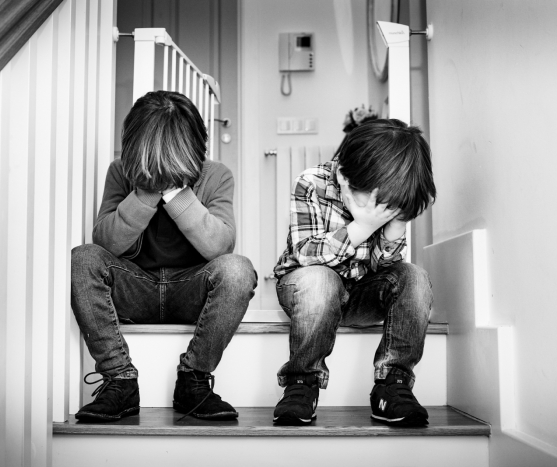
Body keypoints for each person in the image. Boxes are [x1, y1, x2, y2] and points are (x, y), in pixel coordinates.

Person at [71, 90, 257, 422]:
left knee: (238, 270)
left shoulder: (216, 175)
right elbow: (106, 242)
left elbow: (220, 246)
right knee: (83, 259)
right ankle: (119, 380)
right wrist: (144, 191)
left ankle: (194, 380)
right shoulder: (120, 172)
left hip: (191, 290)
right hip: (135, 289)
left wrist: (174, 193)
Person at [272, 119, 436, 426]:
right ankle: (302, 383)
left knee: (414, 277)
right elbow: (305, 253)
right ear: (348, 178)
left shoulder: (389, 205)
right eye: (379, 204)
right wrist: (361, 228)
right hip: (308, 291)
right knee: (320, 280)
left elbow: (385, 271)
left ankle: (392, 385)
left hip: (359, 294)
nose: (382, 212)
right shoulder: (312, 182)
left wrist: (395, 227)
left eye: (392, 208)